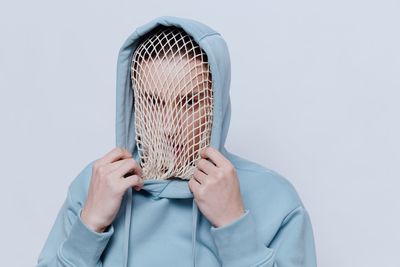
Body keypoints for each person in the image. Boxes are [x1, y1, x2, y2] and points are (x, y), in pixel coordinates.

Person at [36, 16, 317, 267]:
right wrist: (89, 227)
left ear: (216, 103)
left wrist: (233, 225)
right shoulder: (96, 184)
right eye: (153, 101)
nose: (169, 126)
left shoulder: (275, 198)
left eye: (190, 102)